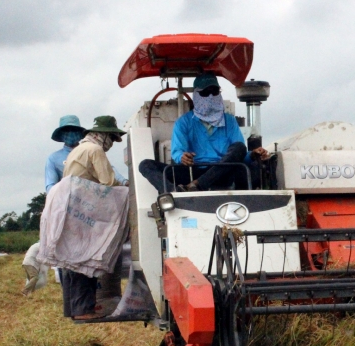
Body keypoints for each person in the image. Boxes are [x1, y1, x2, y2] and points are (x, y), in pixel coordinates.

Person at [138, 73, 269, 192]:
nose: (211, 96)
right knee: (145, 165)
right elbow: (177, 153)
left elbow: (238, 154)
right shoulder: (184, 122)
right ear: (196, 95)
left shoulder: (230, 121)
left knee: (240, 147)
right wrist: (182, 157)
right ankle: (174, 192)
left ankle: (197, 185)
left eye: (215, 91)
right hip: (191, 171)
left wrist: (252, 154)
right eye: (205, 93)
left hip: (223, 172)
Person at [60, 115, 127, 320]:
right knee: (85, 261)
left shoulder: (79, 149)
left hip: (72, 208)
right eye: (112, 139)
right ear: (104, 136)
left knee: (72, 260)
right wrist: (127, 189)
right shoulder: (95, 150)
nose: (111, 145)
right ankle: (83, 310)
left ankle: (74, 309)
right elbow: (107, 181)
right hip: (84, 211)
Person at [45, 115, 126, 194]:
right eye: (67, 130)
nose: (71, 133)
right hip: (79, 197)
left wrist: (124, 181)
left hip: (80, 197)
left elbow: (108, 169)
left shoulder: (81, 150)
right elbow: (108, 181)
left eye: (74, 130)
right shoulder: (94, 150)